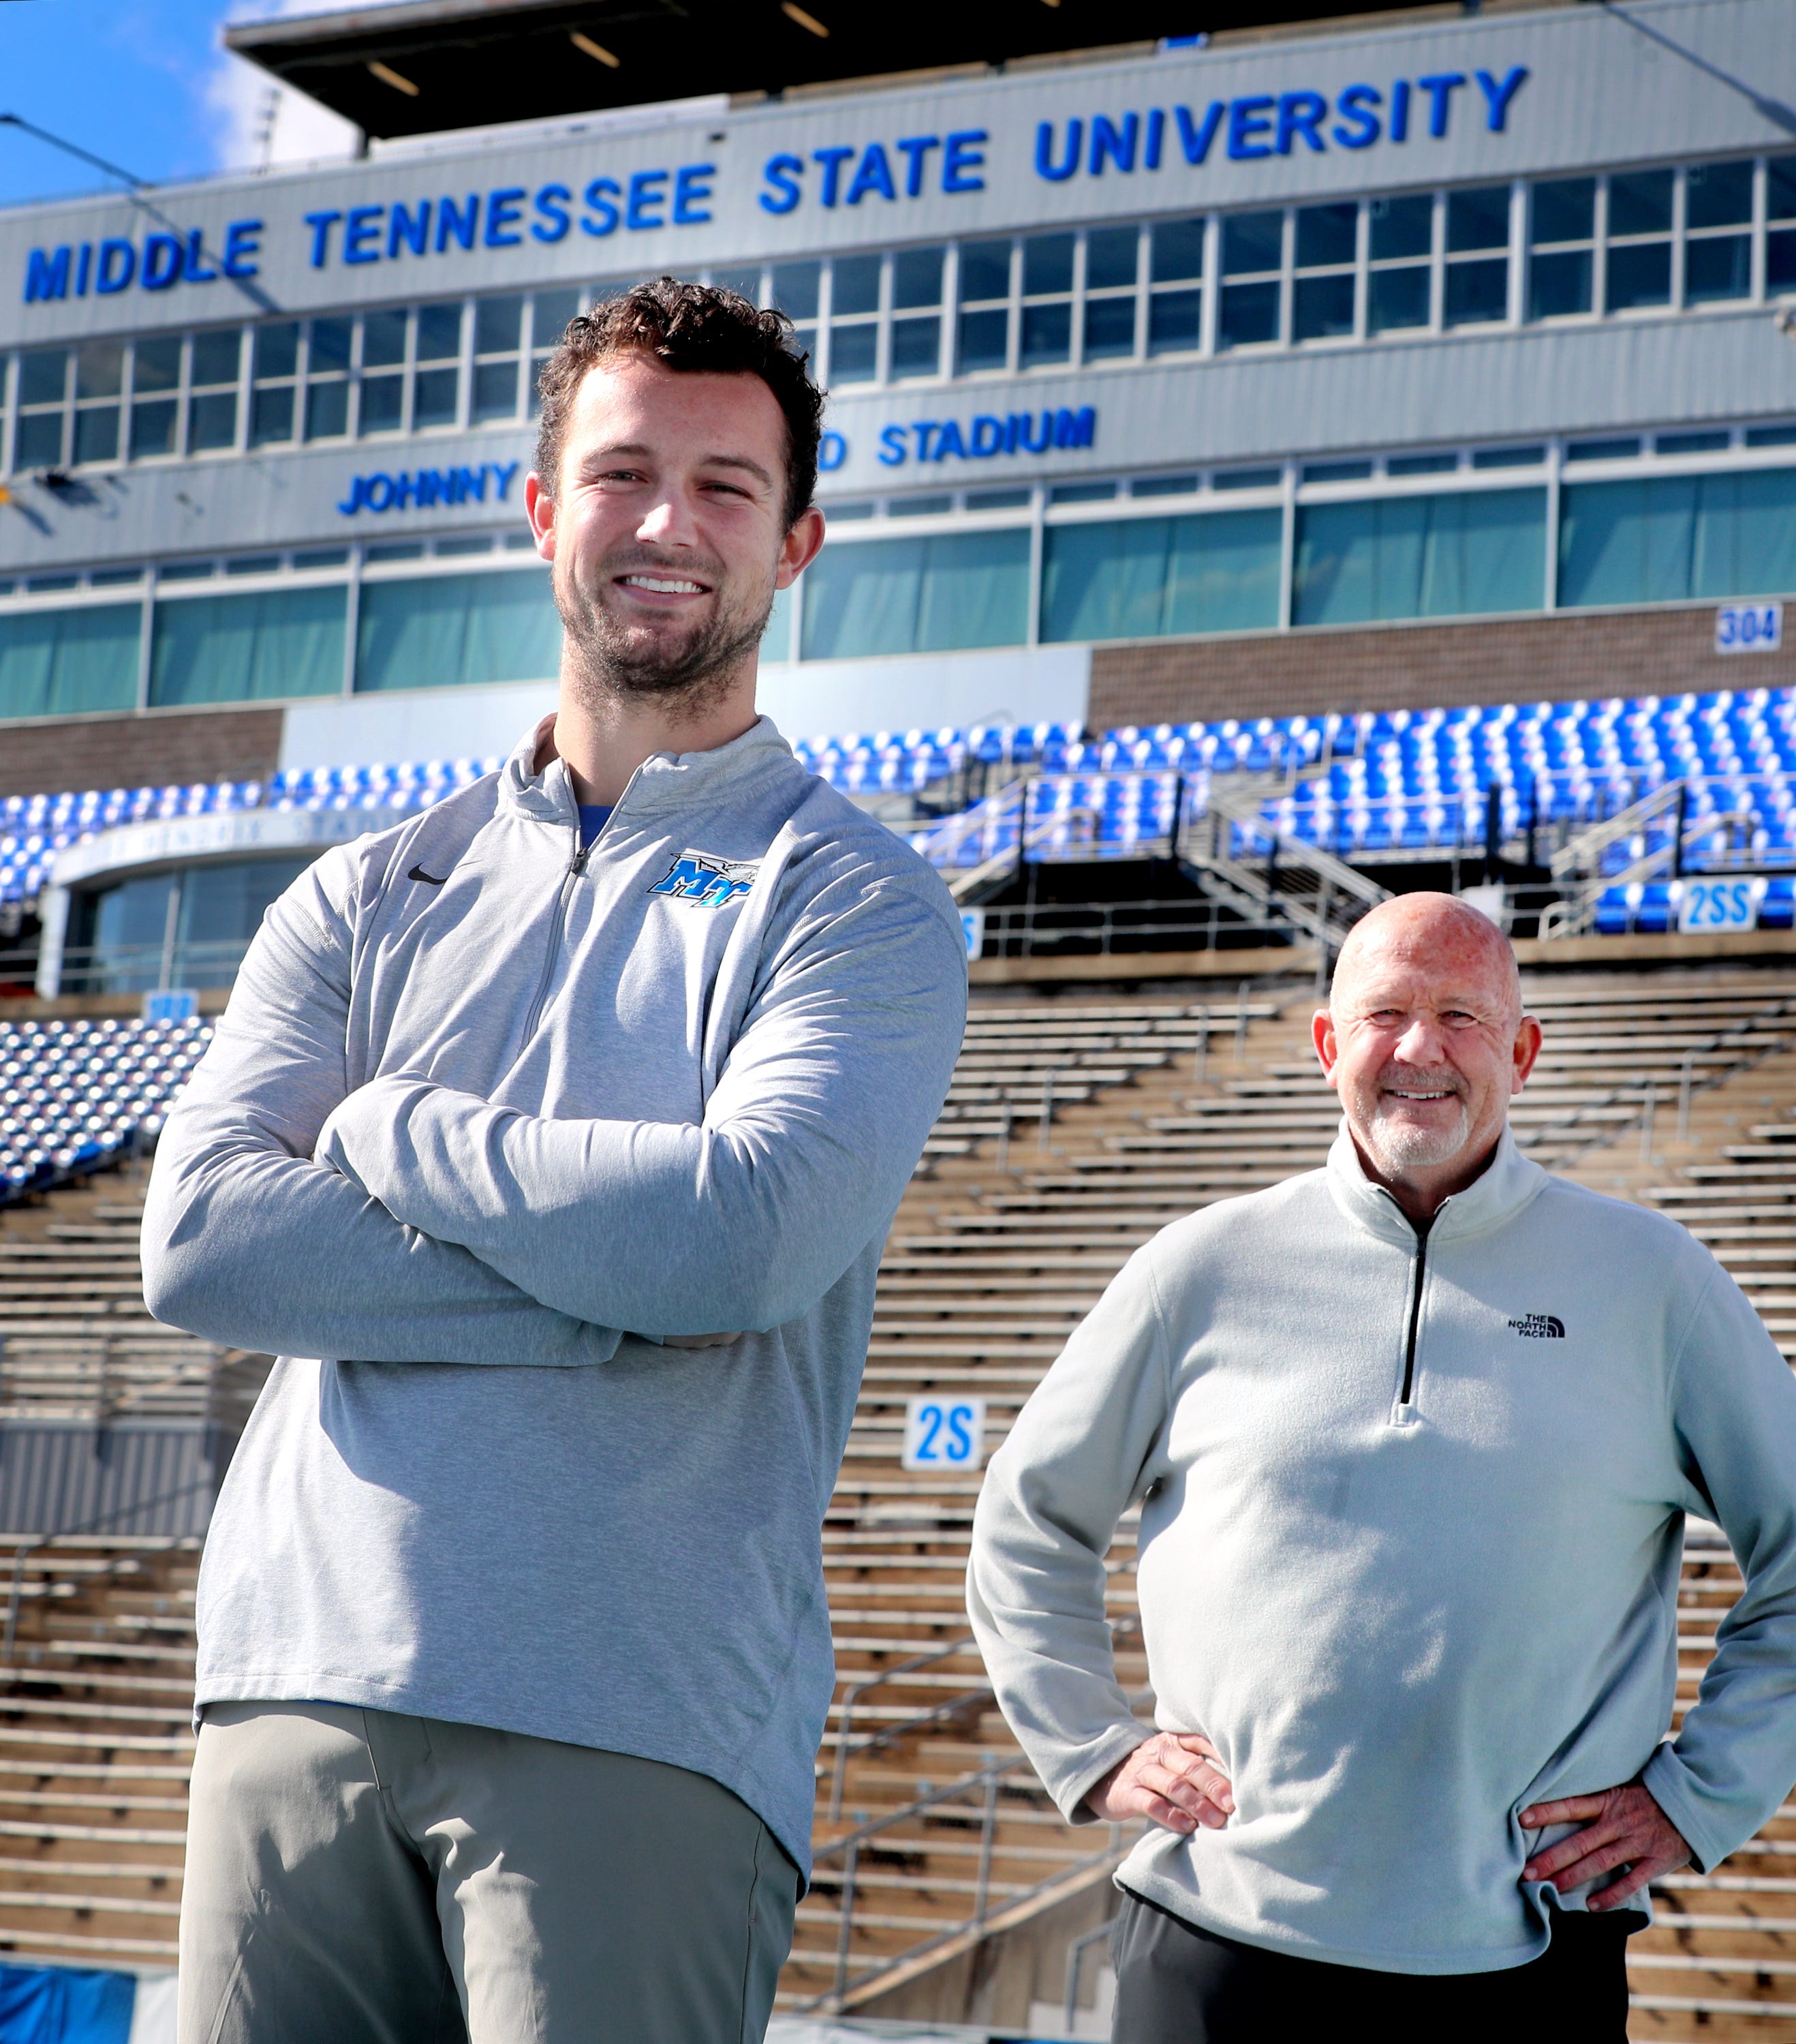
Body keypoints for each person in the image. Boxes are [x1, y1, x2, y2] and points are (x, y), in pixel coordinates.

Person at [142, 279, 968, 2044]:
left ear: (796, 541)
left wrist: (390, 1135)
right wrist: (598, 1296)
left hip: (642, 1716)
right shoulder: (364, 891)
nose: (667, 525)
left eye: (726, 487)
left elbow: (737, 1249)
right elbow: (205, 1243)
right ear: (540, 508)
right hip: (294, 1681)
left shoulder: (855, 898)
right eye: (621, 473)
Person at [967, 893, 1796, 2041]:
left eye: (1462, 1014)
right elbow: (1029, 1521)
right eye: (1386, 1013)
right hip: (1215, 1940)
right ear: (1326, 1046)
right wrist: (1094, 1748)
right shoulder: (1199, 1266)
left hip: (1527, 1952)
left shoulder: (1657, 1286)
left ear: (1523, 1051)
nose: (1421, 1049)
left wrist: (1699, 1795)